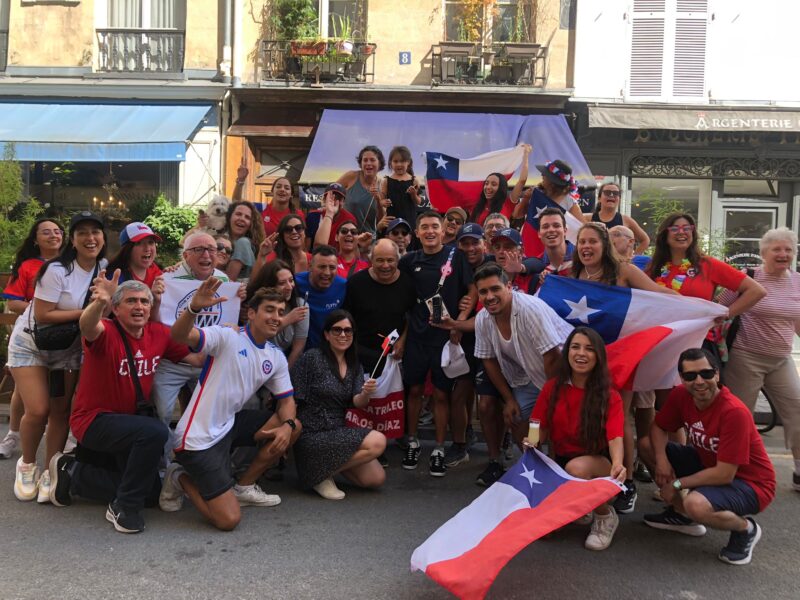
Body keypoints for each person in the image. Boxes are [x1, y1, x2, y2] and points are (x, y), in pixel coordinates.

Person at [48, 276, 197, 533]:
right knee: (156, 431)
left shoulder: (159, 333)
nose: (139, 306)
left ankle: (72, 472)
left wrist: (231, 337)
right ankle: (124, 507)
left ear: (151, 308)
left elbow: (196, 359)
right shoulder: (106, 330)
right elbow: (87, 326)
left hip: (131, 427)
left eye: (143, 301)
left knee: (151, 494)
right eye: (130, 301)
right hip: (94, 421)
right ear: (116, 309)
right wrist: (100, 302)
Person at [164, 283, 302, 531]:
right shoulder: (228, 336)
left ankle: (244, 486)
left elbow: (287, 401)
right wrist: (194, 308)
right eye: (269, 310)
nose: (276, 317)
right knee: (228, 521)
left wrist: (288, 426)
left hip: (229, 424)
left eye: (281, 312)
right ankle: (178, 476)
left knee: (293, 425)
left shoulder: (275, 356)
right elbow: (179, 336)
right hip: (196, 440)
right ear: (251, 313)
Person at [572, 221, 676, 513]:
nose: (586, 247)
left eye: (592, 241)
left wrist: (698, 306)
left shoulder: (624, 271)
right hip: (584, 358)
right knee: (589, 416)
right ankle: (592, 475)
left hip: (620, 357)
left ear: (604, 245)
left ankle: (626, 481)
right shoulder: (573, 273)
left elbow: (658, 294)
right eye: (582, 242)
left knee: (619, 419)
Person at [640, 348, 776, 566]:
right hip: (708, 463)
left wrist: (676, 484)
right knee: (647, 445)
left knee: (697, 504)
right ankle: (681, 515)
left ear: (717, 375)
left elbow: (724, 474)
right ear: (682, 379)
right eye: (690, 376)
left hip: (751, 484)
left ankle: (746, 529)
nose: (699, 381)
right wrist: (662, 461)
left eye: (706, 373)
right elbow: (658, 428)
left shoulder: (734, 412)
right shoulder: (681, 396)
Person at [8, 211, 107, 504]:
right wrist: (93, 309)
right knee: (37, 410)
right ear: (73, 241)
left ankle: (52, 468)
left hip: (67, 348)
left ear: (103, 237)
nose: (90, 239)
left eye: (96, 232)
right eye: (82, 233)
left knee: (60, 411)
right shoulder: (56, 270)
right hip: (31, 344)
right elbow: (43, 314)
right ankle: (27, 465)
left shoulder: (103, 266)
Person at [526, 327, 626, 551]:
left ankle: (604, 516)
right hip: (559, 463)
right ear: (567, 352)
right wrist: (532, 441)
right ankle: (580, 506)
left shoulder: (610, 395)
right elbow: (538, 425)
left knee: (577, 468)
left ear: (598, 356)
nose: (581, 353)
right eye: (575, 347)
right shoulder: (553, 387)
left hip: (598, 465)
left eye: (589, 349)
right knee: (545, 532)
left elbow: (615, 436)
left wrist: (618, 463)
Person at [473, 263, 572, 486]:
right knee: (516, 416)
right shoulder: (482, 319)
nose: (489, 297)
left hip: (562, 374)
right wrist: (508, 399)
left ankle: (559, 475)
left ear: (509, 286)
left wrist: (548, 403)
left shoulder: (529, 309)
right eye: (483, 291)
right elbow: (488, 360)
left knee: (554, 424)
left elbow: (553, 356)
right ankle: (537, 471)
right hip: (527, 376)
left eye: (495, 289)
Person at [719, 227, 800, 491]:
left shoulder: (798, 281)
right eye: (777, 249)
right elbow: (720, 306)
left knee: (797, 411)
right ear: (764, 253)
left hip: (781, 359)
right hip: (746, 358)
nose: (783, 254)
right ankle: (734, 471)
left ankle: (799, 471)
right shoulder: (750, 276)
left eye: (788, 249)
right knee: (740, 417)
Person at [399, 211, 476, 477]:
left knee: (442, 395)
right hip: (418, 337)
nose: (430, 231)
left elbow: (472, 290)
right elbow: (405, 302)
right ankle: (412, 441)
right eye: (424, 227)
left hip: (445, 338)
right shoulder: (409, 261)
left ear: (443, 231)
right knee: (415, 391)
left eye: (435, 226)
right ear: (417, 234)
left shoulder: (457, 257)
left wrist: (459, 321)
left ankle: (440, 448)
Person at [153, 232, 245, 432]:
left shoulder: (223, 279)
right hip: (172, 362)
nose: (207, 254)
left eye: (212, 249)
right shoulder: (167, 278)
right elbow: (156, 324)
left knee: (204, 414)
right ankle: (164, 460)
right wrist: (156, 298)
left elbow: (227, 319)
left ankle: (191, 457)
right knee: (162, 414)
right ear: (185, 256)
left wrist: (238, 297)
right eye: (198, 249)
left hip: (207, 360)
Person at [291, 310, 387, 500]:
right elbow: (293, 397)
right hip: (311, 433)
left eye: (348, 331)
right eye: (337, 330)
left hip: (337, 431)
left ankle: (320, 472)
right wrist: (288, 433)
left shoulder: (355, 365)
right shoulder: (311, 358)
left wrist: (366, 393)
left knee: (375, 479)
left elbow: (358, 403)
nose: (343, 335)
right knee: (378, 441)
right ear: (326, 334)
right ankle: (316, 475)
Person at [0, 219, 64, 460]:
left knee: (64, 389)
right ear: (35, 239)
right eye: (46, 232)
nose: (53, 235)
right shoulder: (28, 266)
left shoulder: (72, 263)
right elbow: (12, 302)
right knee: (20, 389)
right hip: (30, 334)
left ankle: (65, 438)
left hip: (65, 334)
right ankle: (12, 435)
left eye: (57, 231)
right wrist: (40, 309)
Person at [343, 239, 416, 377]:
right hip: (361, 354)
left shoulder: (407, 284)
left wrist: (403, 340)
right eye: (380, 260)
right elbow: (346, 318)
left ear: (397, 260)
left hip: (394, 356)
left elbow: (411, 315)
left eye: (390, 260)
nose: (385, 265)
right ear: (371, 260)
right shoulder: (356, 283)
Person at [247, 259, 309, 368]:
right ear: (269, 285)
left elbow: (298, 349)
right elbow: (254, 337)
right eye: (282, 283)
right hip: (252, 362)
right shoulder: (257, 304)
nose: (289, 287)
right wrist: (286, 320)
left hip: (281, 366)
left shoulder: (300, 305)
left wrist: (284, 374)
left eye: (291, 280)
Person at [295, 245, 347, 349]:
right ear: (310, 266)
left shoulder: (343, 286)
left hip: (329, 350)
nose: (327, 272)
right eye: (322, 267)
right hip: (299, 349)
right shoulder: (295, 282)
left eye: (332, 267)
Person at [513, 159, 587, 229]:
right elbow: (516, 215)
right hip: (531, 238)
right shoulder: (535, 193)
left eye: (546, 174)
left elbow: (583, 228)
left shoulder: (569, 201)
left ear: (553, 182)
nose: (542, 175)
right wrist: (526, 199)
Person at [469, 144, 531, 224]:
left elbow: (522, 180)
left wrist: (525, 155)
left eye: (494, 184)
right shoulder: (477, 205)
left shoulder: (508, 203)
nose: (488, 187)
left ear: (501, 188)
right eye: (486, 183)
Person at [591, 182, 649, 254]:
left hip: (618, 264)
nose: (611, 195)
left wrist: (632, 259)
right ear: (599, 198)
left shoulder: (626, 220)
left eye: (615, 193)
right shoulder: (587, 219)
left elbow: (645, 240)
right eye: (607, 192)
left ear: (619, 199)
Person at [338, 145, 385, 233]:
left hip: (368, 240)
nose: (368, 163)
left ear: (380, 163)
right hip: (346, 235)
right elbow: (331, 192)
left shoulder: (383, 185)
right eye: (365, 160)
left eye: (372, 160)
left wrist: (378, 200)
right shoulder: (351, 176)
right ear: (360, 163)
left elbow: (381, 220)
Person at [105, 222, 163, 287]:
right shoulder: (116, 279)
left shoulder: (156, 271)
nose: (147, 248)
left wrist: (172, 274)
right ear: (127, 249)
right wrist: (153, 295)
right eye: (139, 243)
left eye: (151, 242)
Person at [380, 145, 422, 227]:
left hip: (409, 220)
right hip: (391, 220)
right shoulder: (386, 181)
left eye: (402, 161)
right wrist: (384, 202)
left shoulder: (414, 180)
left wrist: (413, 194)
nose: (399, 164)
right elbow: (381, 200)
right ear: (390, 163)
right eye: (395, 161)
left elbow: (418, 202)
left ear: (408, 162)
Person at [306, 183, 357, 249]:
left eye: (338, 198)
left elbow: (352, 247)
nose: (334, 201)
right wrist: (329, 213)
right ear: (324, 200)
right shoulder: (313, 216)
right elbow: (308, 247)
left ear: (343, 202)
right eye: (331, 198)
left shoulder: (350, 218)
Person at [490, 228, 541, 294]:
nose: (501, 251)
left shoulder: (533, 280)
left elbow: (540, 263)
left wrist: (520, 268)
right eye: (497, 247)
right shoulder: (487, 275)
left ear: (521, 251)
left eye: (507, 247)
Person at [225, 201, 264, 281]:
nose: (242, 218)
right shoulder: (219, 238)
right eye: (238, 214)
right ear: (229, 217)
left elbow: (227, 281)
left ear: (251, 224)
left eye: (247, 217)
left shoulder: (244, 243)